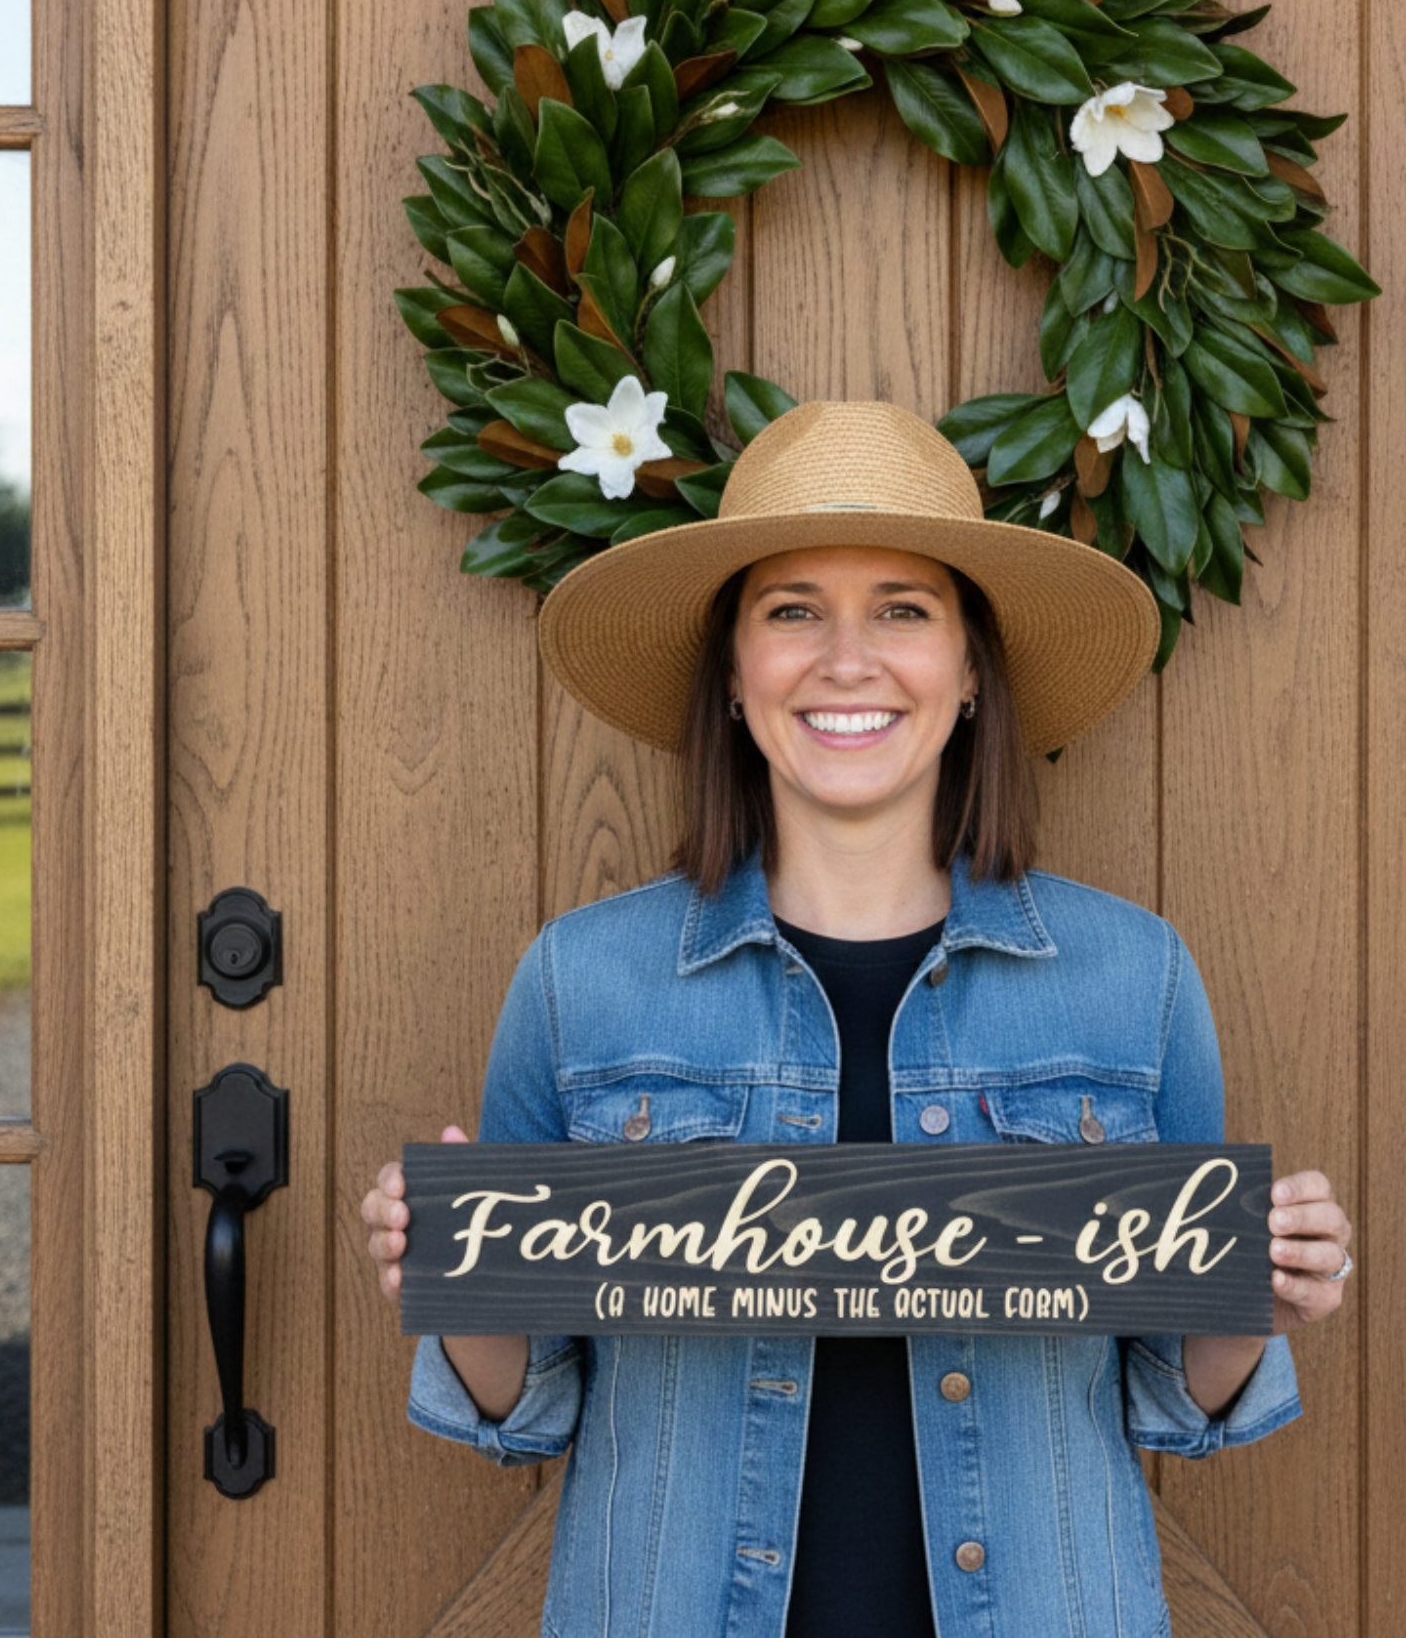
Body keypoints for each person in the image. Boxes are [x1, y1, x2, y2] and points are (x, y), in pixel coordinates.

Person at [362, 399, 1354, 1637]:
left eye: (901, 607)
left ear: (970, 666)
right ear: (731, 673)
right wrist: (456, 1279)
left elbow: (1173, 1384)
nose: (846, 658)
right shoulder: (582, 978)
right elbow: (525, 1401)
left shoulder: (1131, 975)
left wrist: (1256, 1296)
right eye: (790, 610)